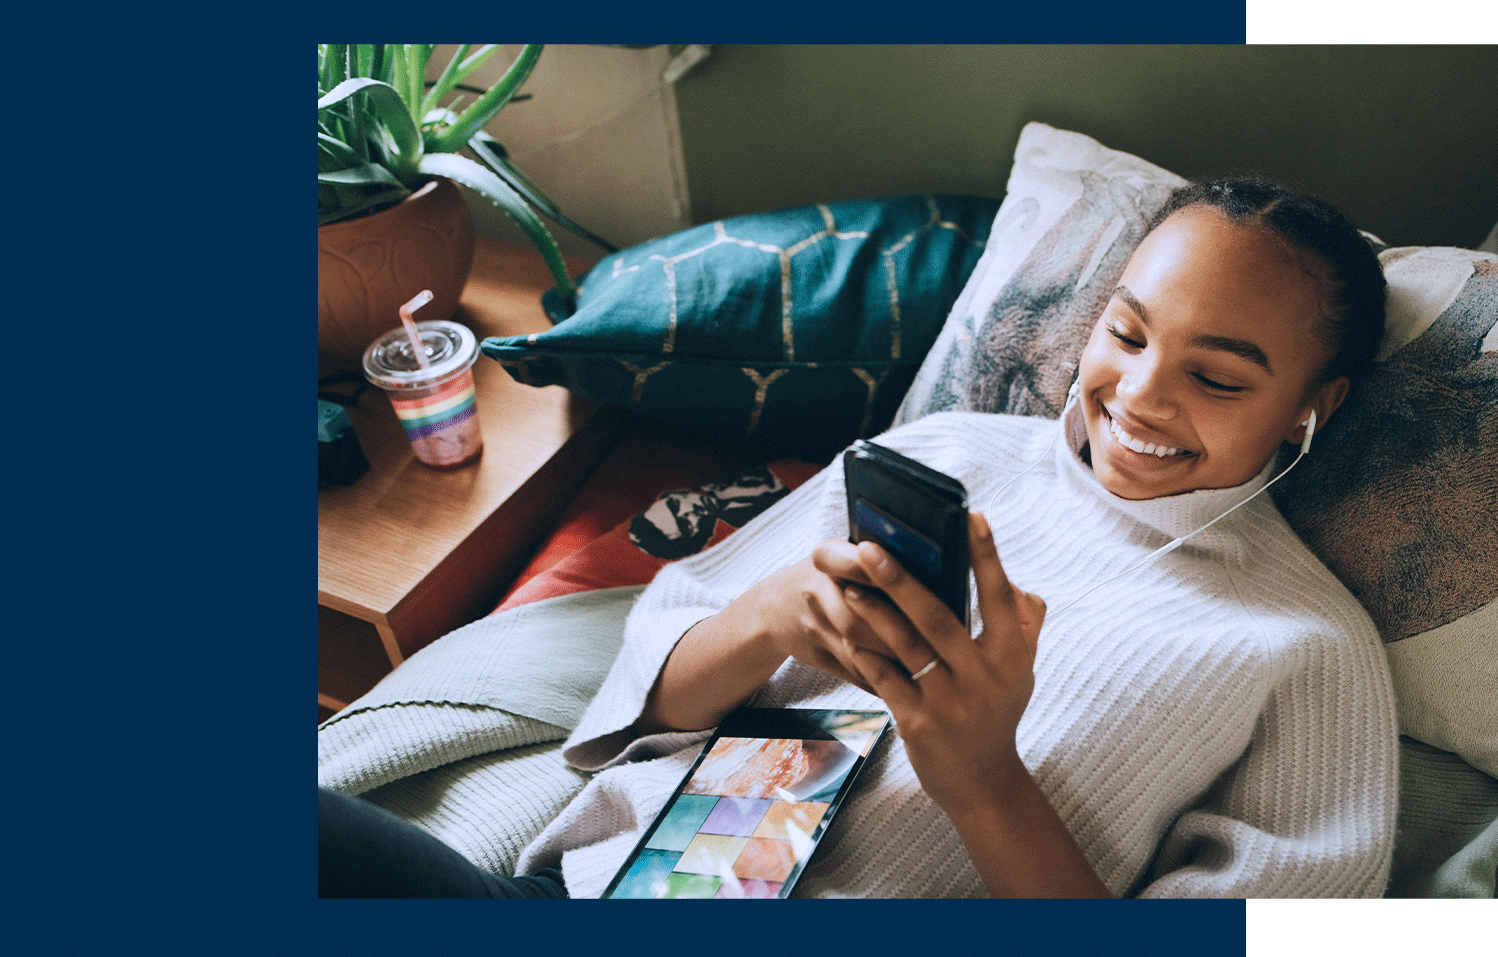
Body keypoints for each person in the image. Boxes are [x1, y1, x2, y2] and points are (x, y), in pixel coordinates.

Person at [321, 177, 1399, 899]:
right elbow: (639, 708)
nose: (1140, 394)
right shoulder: (948, 453)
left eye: (1215, 377)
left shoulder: (1303, 647)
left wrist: (981, 778)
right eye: (1124, 332)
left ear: (1316, 403)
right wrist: (765, 615)